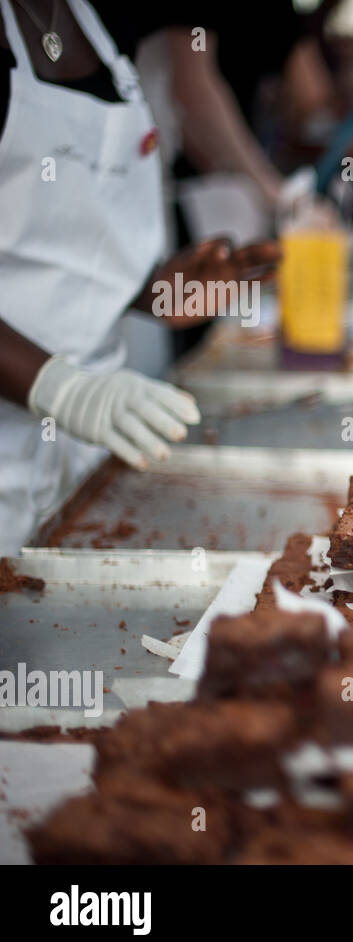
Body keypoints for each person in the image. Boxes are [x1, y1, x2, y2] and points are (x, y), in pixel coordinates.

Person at [0, 0, 277, 555]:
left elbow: (61, 254)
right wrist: (61, 387)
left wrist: (159, 290)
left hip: (96, 442)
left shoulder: (105, 23)